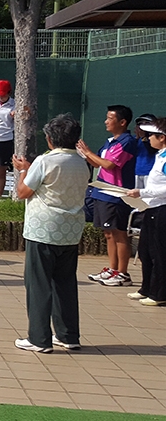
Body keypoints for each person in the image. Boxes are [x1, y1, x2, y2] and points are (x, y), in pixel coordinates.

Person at [11, 114, 90, 352]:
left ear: (50, 139)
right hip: (71, 229)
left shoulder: (45, 161)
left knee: (38, 285)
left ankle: (39, 338)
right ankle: (68, 335)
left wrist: (24, 171)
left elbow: (24, 192)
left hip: (43, 230)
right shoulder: (82, 161)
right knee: (65, 283)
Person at [77, 104, 137, 287]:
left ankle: (123, 273)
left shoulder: (127, 141)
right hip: (102, 192)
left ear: (122, 122)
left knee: (119, 234)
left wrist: (87, 152)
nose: (106, 121)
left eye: (110, 118)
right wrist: (84, 153)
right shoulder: (110, 141)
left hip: (116, 194)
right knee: (108, 234)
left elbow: (109, 165)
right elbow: (97, 164)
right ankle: (112, 270)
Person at [127, 118, 166, 307]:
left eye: (152, 135)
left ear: (162, 137)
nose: (148, 138)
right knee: (144, 250)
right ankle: (146, 288)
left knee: (159, 253)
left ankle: (159, 293)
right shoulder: (160, 155)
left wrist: (142, 192)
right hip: (151, 208)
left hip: (162, 209)